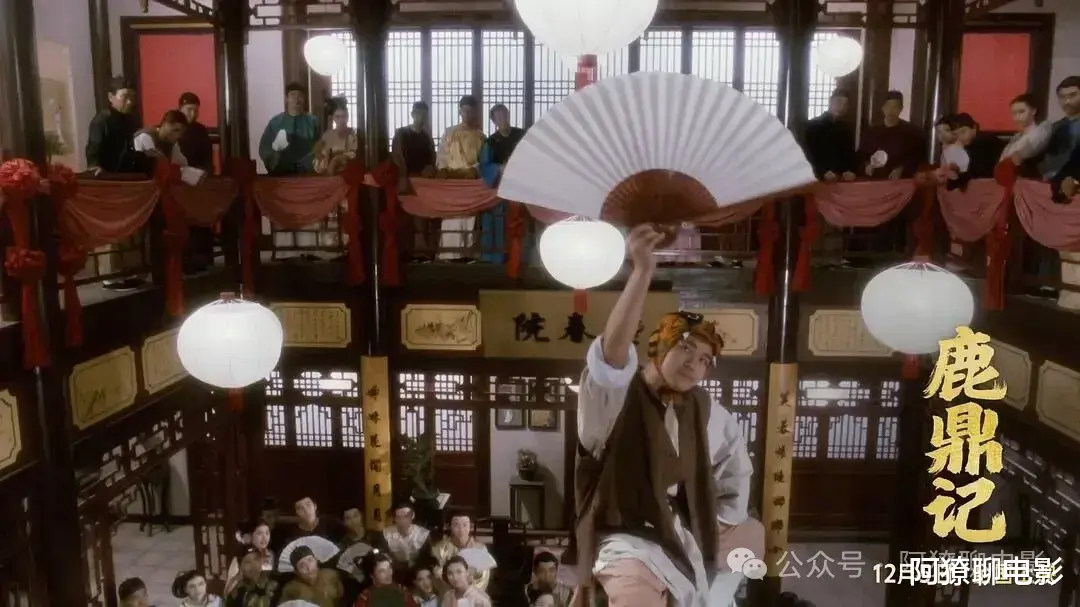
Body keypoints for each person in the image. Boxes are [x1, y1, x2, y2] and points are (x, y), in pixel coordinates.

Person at [569, 225, 762, 607]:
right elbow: (610, 360)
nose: (694, 364)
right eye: (685, 348)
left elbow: (736, 472)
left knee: (752, 535)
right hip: (625, 534)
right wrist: (642, 271)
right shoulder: (617, 397)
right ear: (659, 345)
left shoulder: (703, 408)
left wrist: (714, 519)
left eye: (705, 360)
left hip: (681, 529)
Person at [436, 95, 487, 261]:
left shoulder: (481, 136)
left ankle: (467, 254)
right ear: (460, 111)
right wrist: (444, 171)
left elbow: (483, 160)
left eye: (470, 111)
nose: (467, 114)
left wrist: (473, 171)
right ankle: (448, 253)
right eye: (464, 110)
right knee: (452, 216)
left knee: (469, 217)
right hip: (452, 181)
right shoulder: (450, 132)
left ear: (475, 112)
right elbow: (442, 155)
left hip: (471, 181)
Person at [477, 103, 527, 263]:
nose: (502, 118)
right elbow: (484, 166)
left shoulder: (522, 135)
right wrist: (499, 168)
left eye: (504, 114)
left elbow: (532, 156)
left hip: (521, 186)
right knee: (497, 220)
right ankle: (496, 256)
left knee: (520, 221)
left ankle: (521, 256)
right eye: (498, 116)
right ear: (494, 121)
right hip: (500, 187)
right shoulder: (491, 142)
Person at [392, 101, 438, 261]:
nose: (422, 117)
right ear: (412, 114)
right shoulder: (401, 134)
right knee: (407, 218)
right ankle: (407, 252)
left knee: (423, 218)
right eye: (418, 113)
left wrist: (430, 169)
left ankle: (424, 252)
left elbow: (433, 158)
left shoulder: (426, 137)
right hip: (406, 180)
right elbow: (398, 157)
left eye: (424, 114)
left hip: (423, 182)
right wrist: (403, 177)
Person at [857, 90, 925, 179]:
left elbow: (916, 158)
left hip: (898, 181)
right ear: (882, 108)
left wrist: (902, 169)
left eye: (895, 107)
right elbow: (862, 155)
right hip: (874, 179)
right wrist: (866, 166)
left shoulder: (911, 132)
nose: (890, 111)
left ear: (901, 109)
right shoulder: (872, 131)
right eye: (887, 106)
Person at [258, 82, 319, 175]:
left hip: (306, 172)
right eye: (293, 95)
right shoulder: (275, 122)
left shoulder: (312, 122)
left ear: (304, 99)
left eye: (300, 96)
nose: (296, 99)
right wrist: (275, 159)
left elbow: (319, 146)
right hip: (281, 173)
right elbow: (264, 148)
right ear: (286, 98)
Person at [85, 75, 141, 175]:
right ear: (111, 97)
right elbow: (93, 152)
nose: (129, 102)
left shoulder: (130, 120)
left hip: (127, 176)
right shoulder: (102, 121)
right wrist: (95, 167)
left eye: (132, 97)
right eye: (125, 97)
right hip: (109, 177)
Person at [803, 88, 857, 181]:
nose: (841, 107)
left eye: (845, 104)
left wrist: (849, 171)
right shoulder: (813, 126)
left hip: (841, 178)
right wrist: (822, 172)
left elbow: (849, 155)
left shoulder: (846, 129)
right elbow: (808, 154)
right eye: (839, 102)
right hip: (818, 178)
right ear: (831, 101)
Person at [430, 511, 491, 593]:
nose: (461, 529)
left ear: (470, 526)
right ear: (450, 526)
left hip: (472, 595)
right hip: (447, 593)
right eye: (456, 525)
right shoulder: (439, 548)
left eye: (465, 525)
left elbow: (482, 579)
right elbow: (436, 577)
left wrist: (467, 592)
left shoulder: (479, 549)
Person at [279, 545, 345, 607]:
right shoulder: (290, 589)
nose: (308, 567)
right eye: (302, 565)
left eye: (310, 560)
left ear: (316, 560)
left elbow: (341, 597)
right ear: (296, 571)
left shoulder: (331, 574)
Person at [314, 96, 362, 175]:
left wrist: (337, 159)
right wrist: (321, 155)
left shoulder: (353, 134)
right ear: (333, 118)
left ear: (347, 116)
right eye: (337, 117)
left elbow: (353, 154)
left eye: (344, 116)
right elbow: (319, 153)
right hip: (327, 172)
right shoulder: (328, 135)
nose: (341, 120)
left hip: (347, 171)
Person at [224, 521, 274, 595]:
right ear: (251, 536)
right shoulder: (240, 557)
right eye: (259, 533)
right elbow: (230, 585)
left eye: (267, 533)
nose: (264, 537)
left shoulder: (271, 554)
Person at [354, 552, 420, 607]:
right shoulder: (364, 599)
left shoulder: (401, 590)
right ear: (371, 575)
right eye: (382, 571)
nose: (388, 573)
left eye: (389, 568)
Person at [383, 503, 432, 571]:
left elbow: (428, 559)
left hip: (417, 571)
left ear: (412, 516)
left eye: (406, 516)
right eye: (398, 517)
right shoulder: (387, 534)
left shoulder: (423, 534)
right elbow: (384, 556)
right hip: (394, 571)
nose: (402, 521)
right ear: (395, 519)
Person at [177, 92, 214, 172]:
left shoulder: (201, 130)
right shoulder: (172, 127)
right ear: (180, 109)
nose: (193, 114)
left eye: (196, 110)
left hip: (197, 172)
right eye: (189, 109)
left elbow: (208, 161)